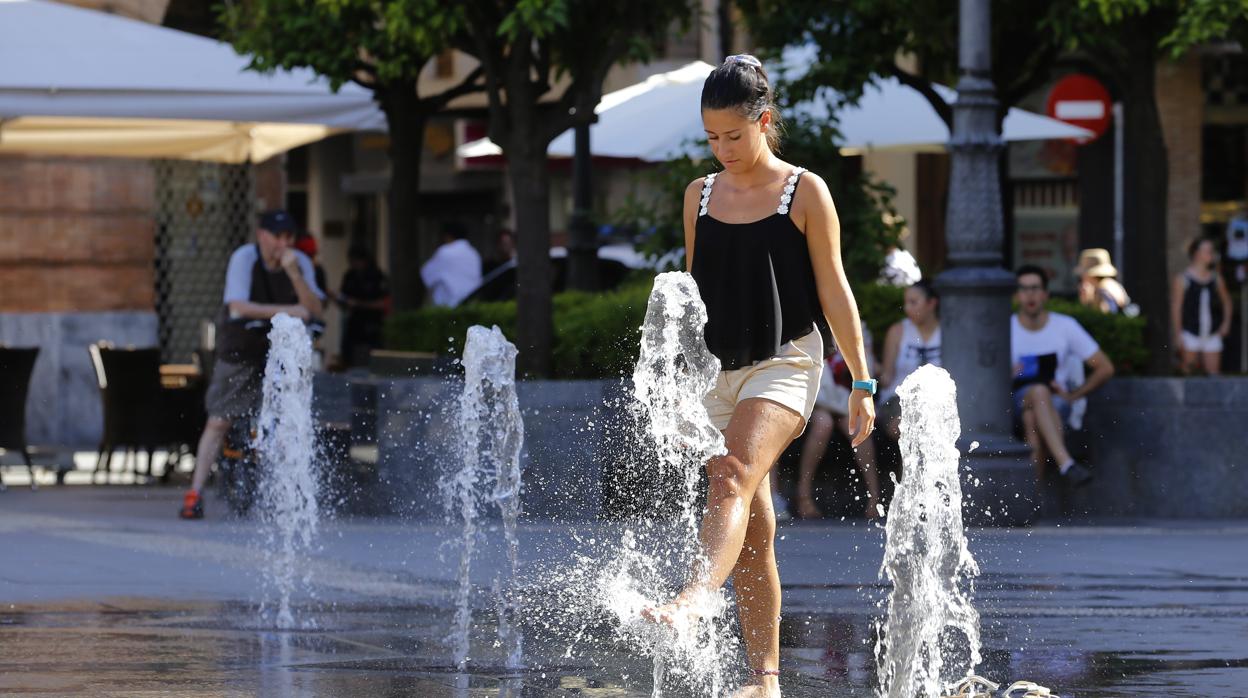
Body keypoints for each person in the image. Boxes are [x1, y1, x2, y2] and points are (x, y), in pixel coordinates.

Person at [641, 54, 875, 696]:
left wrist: (861, 381)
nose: (723, 149)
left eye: (734, 136)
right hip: (717, 373)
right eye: (711, 138)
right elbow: (695, 293)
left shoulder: (805, 191)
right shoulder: (701, 194)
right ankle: (765, 680)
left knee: (732, 477)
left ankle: (691, 599)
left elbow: (835, 291)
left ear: (764, 122)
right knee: (755, 529)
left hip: (786, 361)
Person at [180, 210, 325, 519]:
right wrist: (289, 311)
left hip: (282, 350)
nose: (282, 244)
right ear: (261, 235)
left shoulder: (299, 261)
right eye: (277, 236)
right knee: (220, 419)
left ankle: (286, 495)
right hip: (241, 348)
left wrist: (295, 275)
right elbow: (237, 305)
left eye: (288, 237)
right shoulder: (244, 258)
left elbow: (314, 309)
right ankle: (195, 493)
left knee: (287, 421)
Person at [1011, 265, 1113, 491]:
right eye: (1024, 289)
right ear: (1017, 295)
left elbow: (1104, 367)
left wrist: (1073, 395)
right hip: (1015, 399)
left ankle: (1029, 500)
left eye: (1035, 288)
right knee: (1037, 393)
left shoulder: (1065, 326)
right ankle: (1066, 463)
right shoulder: (1006, 328)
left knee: (1032, 419)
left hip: (1057, 401)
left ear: (1045, 294)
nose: (1030, 294)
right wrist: (1009, 374)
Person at [790, 325, 879, 520]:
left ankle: (875, 496)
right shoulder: (810, 327)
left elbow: (868, 369)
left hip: (845, 400)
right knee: (823, 424)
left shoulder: (860, 329)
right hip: (817, 400)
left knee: (859, 427)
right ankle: (803, 495)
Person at [877, 280, 942, 442]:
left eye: (913, 303)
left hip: (936, 399)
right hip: (898, 398)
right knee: (906, 424)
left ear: (931, 303)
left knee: (931, 420)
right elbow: (886, 378)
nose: (907, 308)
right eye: (906, 303)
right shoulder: (898, 331)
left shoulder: (947, 332)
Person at [1172, 237, 1232, 375]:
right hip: (1190, 331)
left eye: (1211, 251)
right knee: (1189, 372)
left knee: (1213, 375)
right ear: (1196, 253)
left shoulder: (1216, 278)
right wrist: (1178, 333)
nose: (1211, 254)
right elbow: (1176, 307)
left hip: (1212, 331)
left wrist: (1226, 323)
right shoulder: (1183, 278)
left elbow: (1227, 301)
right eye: (1207, 251)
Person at [337, 245, 391, 367]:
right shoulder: (350, 275)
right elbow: (344, 299)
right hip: (354, 324)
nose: (353, 264)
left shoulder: (376, 276)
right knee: (350, 358)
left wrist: (359, 304)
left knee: (372, 360)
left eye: (355, 261)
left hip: (373, 325)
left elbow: (384, 303)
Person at [420, 222, 481, 307]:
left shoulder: (445, 252)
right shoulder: (474, 254)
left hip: (448, 309)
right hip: (470, 307)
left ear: (448, 236)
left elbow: (426, 275)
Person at [1075, 248, 1131, 314]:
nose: (1081, 276)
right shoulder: (1108, 284)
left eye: (1083, 273)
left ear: (1089, 274)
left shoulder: (1104, 290)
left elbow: (1105, 314)